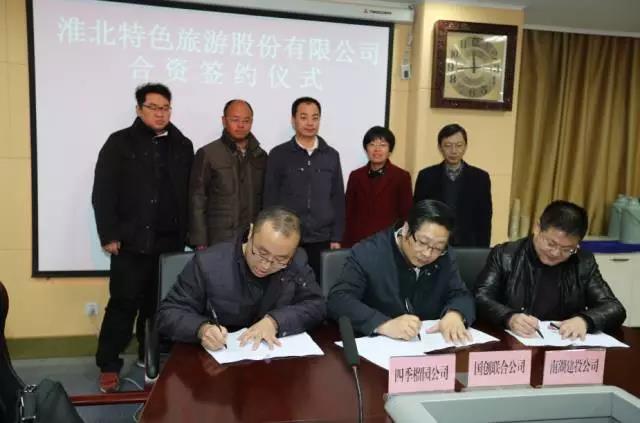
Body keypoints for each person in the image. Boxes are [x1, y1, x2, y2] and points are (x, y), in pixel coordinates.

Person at [92, 83, 194, 392]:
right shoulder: (119, 143)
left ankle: (147, 356)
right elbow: (103, 192)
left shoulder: (182, 145)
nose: (160, 114)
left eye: (165, 108)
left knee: (157, 305)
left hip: (168, 242)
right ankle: (109, 364)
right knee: (123, 303)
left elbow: (189, 193)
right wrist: (109, 234)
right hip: (130, 241)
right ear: (139, 109)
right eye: (153, 108)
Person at [157, 206, 326, 351]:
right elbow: (168, 313)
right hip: (218, 359)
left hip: (272, 360)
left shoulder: (296, 262)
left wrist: (275, 321)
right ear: (251, 232)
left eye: (280, 260)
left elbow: (316, 305)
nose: (266, 265)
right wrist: (201, 329)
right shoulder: (208, 263)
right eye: (261, 253)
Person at [327, 200, 475, 343]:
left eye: (437, 247)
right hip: (379, 347)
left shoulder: (445, 256)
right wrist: (383, 324)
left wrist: (455, 314)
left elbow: (461, 294)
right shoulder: (368, 253)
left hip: (428, 346)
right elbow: (338, 300)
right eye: (422, 242)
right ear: (406, 229)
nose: (427, 253)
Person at [475, 200, 626, 340]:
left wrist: (585, 321)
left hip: (563, 344)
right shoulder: (506, 255)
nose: (555, 253)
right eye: (551, 244)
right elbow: (481, 297)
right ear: (537, 228)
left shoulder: (582, 262)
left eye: (567, 249)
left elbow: (614, 308)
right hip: (514, 344)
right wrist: (509, 317)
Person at [263, 97, 345, 281]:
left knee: (318, 286)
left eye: (315, 118)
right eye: (303, 117)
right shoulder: (279, 154)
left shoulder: (331, 155)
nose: (310, 123)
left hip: (322, 238)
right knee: (284, 286)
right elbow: (270, 197)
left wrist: (337, 237)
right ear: (293, 120)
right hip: (286, 235)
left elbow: (338, 198)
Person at [189, 99, 267, 248]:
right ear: (224, 121)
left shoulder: (260, 156)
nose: (241, 125)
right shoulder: (208, 154)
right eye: (235, 120)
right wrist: (200, 241)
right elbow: (197, 200)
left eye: (246, 120)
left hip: (251, 240)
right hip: (218, 238)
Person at [413, 123, 492, 247]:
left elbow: (484, 219)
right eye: (448, 146)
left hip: (468, 245)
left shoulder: (480, 178)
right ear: (440, 147)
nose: (453, 151)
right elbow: (419, 214)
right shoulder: (427, 176)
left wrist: (482, 250)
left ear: (465, 146)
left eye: (459, 145)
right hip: (432, 244)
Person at [342, 126, 413, 248]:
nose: (377, 149)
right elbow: (348, 212)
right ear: (366, 149)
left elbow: (406, 214)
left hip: (388, 242)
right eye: (372, 144)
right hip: (358, 242)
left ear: (390, 150)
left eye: (382, 145)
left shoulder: (401, 176)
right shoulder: (356, 176)